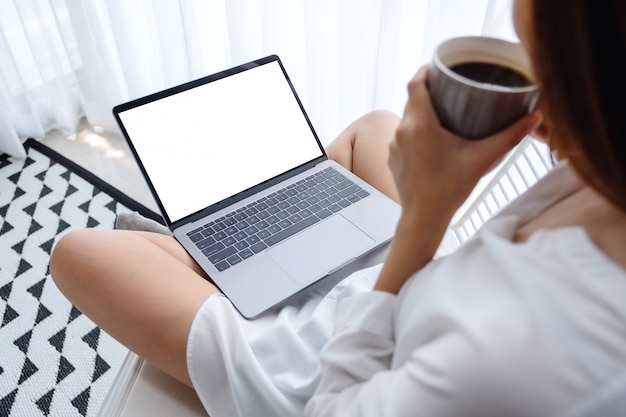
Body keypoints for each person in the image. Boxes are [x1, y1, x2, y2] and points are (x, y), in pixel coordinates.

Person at [50, 0, 626, 415]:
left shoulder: (533, 356)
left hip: (312, 363)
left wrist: (425, 217)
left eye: (544, 56)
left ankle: (237, 262)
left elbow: (333, 402)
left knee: (76, 252)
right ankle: (286, 226)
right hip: (408, 285)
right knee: (375, 126)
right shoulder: (600, 177)